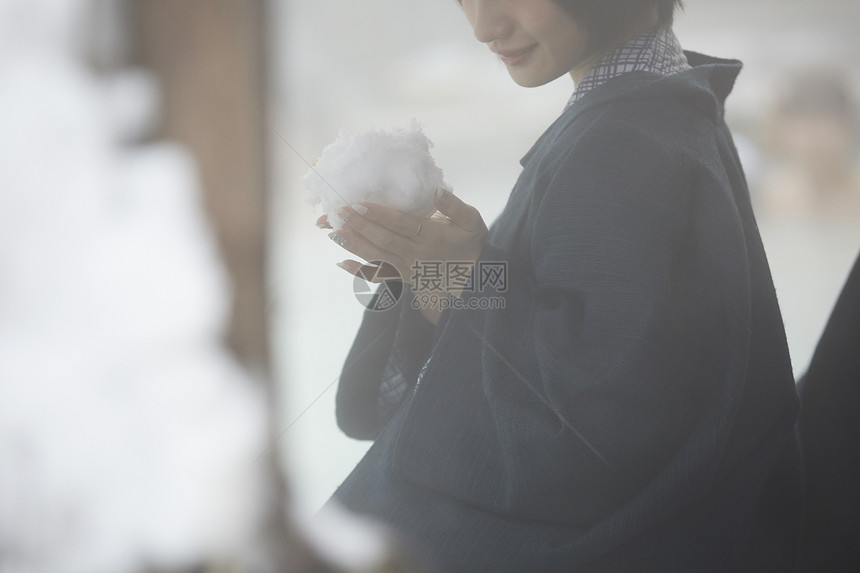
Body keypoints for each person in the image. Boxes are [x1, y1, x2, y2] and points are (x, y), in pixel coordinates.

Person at [317, 0, 803, 571]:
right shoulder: (649, 110)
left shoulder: (624, 146)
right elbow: (573, 348)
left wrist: (460, 272)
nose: (483, 26)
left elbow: (584, 443)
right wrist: (432, 269)